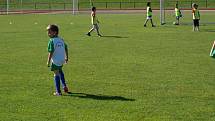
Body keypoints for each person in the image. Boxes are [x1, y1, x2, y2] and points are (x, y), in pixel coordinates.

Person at [46, 24, 69, 96]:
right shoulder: (61, 39)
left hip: (56, 61)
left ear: (55, 32)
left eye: (50, 32)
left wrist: (48, 61)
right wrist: (66, 57)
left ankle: (58, 92)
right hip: (62, 59)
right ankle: (64, 86)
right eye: (47, 32)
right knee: (60, 71)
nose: (48, 33)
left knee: (56, 74)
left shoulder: (51, 41)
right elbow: (66, 48)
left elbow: (51, 52)